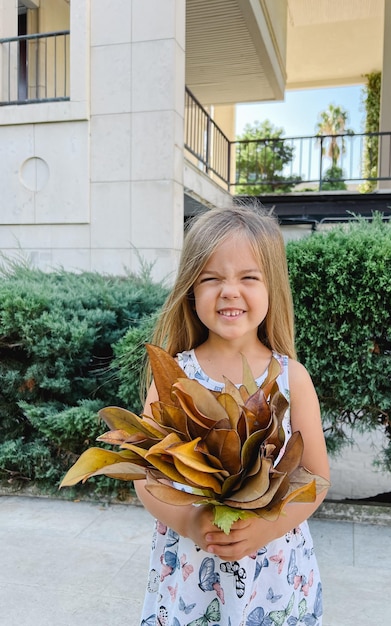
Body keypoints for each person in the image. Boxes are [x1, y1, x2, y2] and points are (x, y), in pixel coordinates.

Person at [135, 202, 330, 626]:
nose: (229, 290)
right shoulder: (172, 377)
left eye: (248, 277)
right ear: (190, 289)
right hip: (190, 574)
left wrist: (265, 528)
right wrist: (189, 520)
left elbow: (315, 479)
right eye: (211, 279)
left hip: (274, 573)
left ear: (271, 288)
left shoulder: (292, 379)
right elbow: (143, 475)